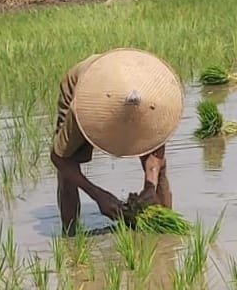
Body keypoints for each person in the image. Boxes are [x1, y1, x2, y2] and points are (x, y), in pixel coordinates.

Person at [51, 48, 184, 236]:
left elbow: (156, 148)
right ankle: (70, 235)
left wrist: (150, 186)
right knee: (67, 169)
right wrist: (98, 196)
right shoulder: (84, 106)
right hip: (86, 87)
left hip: (128, 78)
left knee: (159, 169)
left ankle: (166, 232)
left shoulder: (155, 99)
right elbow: (59, 158)